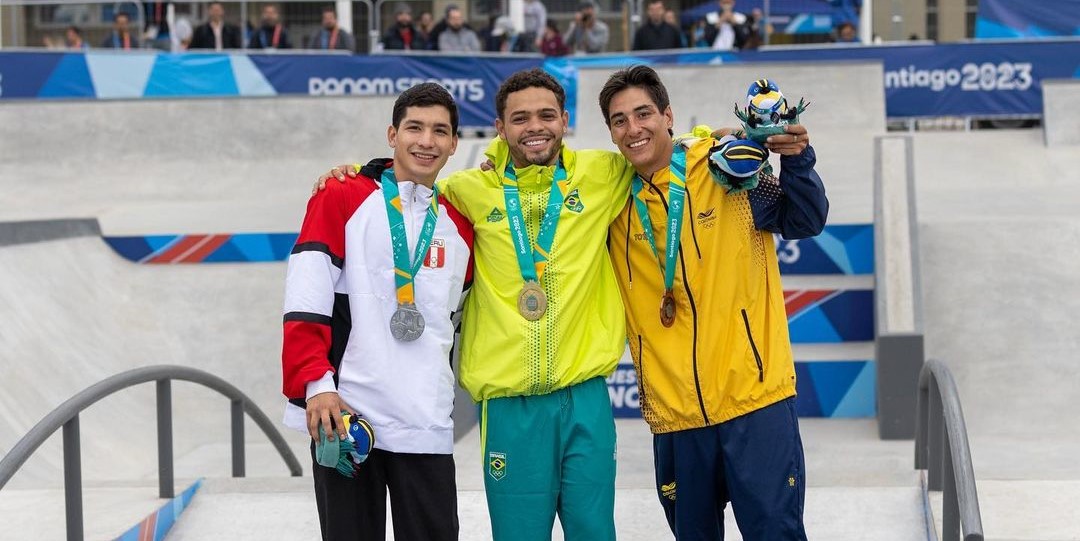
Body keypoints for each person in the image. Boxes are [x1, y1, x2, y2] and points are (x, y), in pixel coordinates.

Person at [317, 69, 635, 541]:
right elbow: (409, 184)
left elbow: (659, 152)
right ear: (500, 128)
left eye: (547, 115)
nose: (535, 126)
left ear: (565, 120)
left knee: (595, 531)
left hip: (583, 393)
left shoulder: (606, 173)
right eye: (520, 118)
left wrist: (714, 139)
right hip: (509, 405)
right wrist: (358, 174)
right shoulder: (465, 192)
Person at [598, 65, 826, 540]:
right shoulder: (610, 200)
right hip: (676, 415)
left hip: (754, 400)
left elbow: (804, 219)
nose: (633, 128)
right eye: (619, 120)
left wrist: (798, 160)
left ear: (667, 116)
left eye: (643, 114)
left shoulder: (726, 167)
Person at [282, 83, 470, 541]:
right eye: (415, 127)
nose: (426, 141)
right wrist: (316, 385)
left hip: (424, 418)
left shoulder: (462, 222)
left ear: (453, 144)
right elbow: (307, 295)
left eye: (439, 131)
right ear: (392, 134)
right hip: (347, 415)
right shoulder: (342, 196)